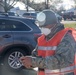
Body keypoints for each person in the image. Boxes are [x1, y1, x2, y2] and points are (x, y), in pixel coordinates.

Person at [20, 10, 76, 75]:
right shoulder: (42, 39)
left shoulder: (66, 37)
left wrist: (33, 61)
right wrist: (28, 62)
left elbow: (62, 60)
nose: (42, 28)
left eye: (45, 26)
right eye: (40, 26)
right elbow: (36, 56)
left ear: (54, 24)